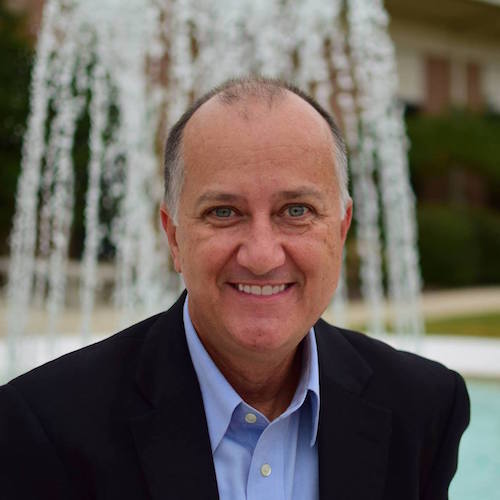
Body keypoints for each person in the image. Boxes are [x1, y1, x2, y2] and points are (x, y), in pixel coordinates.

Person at [0, 77, 469, 500]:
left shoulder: (424, 408)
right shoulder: (45, 426)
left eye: (297, 211)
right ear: (174, 236)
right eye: (224, 212)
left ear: (341, 229)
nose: (262, 256)